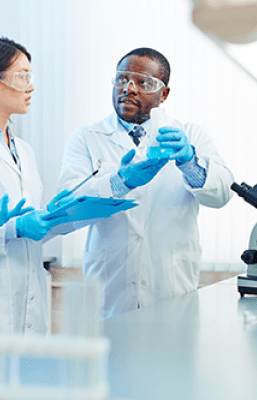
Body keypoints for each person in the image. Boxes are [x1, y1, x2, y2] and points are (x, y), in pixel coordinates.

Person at [55, 47, 234, 318]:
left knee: (169, 356)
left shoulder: (191, 135)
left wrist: (189, 162)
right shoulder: (86, 138)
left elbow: (221, 194)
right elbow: (66, 213)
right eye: (122, 79)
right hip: (110, 292)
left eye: (144, 82)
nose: (129, 88)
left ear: (164, 94)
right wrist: (119, 183)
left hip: (171, 291)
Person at [0, 37, 73, 335]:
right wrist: (11, 229)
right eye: (22, 76)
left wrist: (56, 217)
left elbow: (30, 225)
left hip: (30, 295)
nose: (30, 86)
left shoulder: (24, 150)